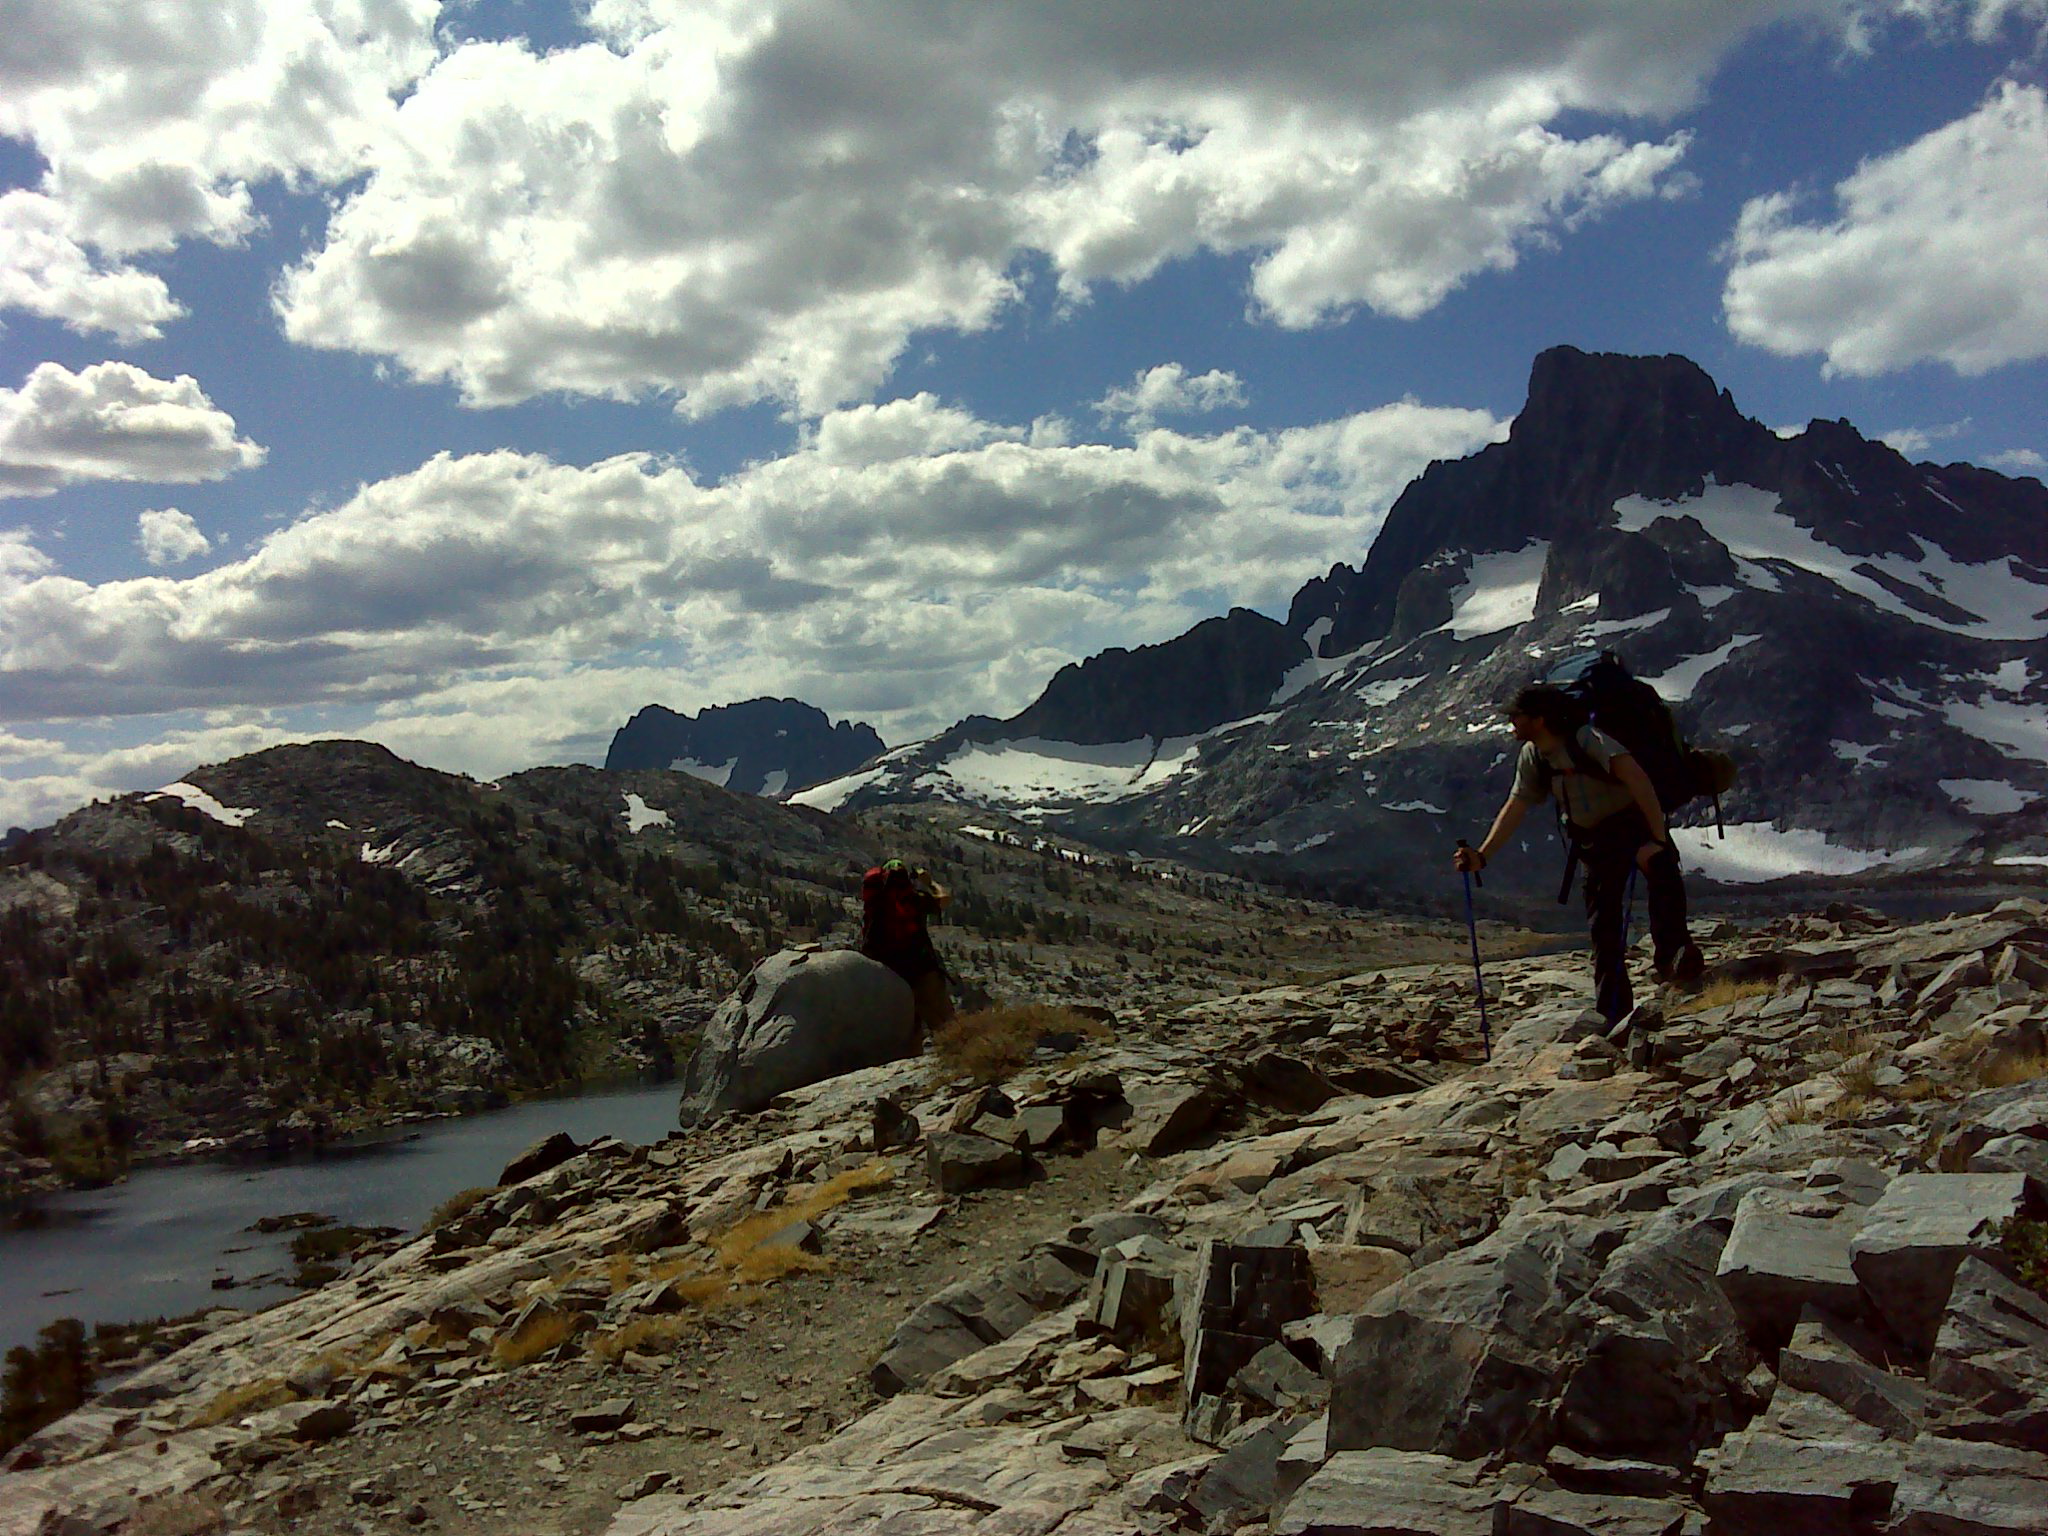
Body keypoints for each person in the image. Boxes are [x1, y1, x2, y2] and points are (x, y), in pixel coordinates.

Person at [1454, 683, 1703, 1024]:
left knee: (1661, 890)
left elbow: (1639, 781)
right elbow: (1516, 805)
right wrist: (1481, 856)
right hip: (1594, 839)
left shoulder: (1587, 740)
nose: (1511, 722)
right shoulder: (1534, 754)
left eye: (1516, 716)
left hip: (1635, 825)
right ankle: (1615, 1013)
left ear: (1539, 720)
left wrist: (1657, 841)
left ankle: (1676, 966)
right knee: (1604, 926)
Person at [860, 858, 957, 1032]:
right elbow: (944, 899)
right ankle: (960, 1054)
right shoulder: (914, 899)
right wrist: (930, 882)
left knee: (909, 1029)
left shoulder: (875, 904)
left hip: (890, 974)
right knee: (946, 1024)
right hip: (921, 969)